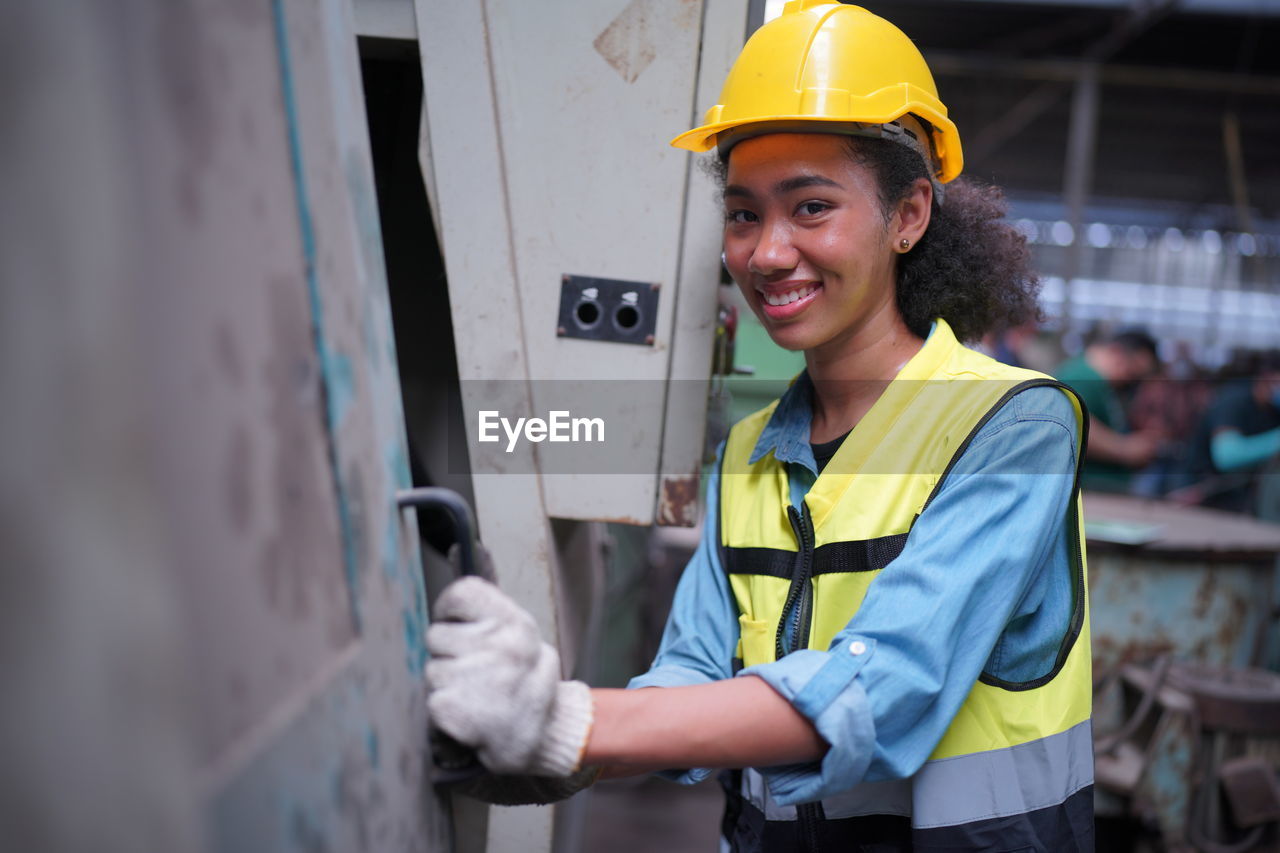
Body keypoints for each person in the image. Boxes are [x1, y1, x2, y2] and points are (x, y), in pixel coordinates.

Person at [426, 4, 1094, 850]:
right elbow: (692, 676)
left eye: (810, 208)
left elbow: (885, 684)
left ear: (909, 216)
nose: (766, 253)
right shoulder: (749, 455)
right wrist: (526, 748)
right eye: (743, 214)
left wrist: (568, 722)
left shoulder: (1015, 425)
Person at [1054, 329, 1162, 493]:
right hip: (1091, 489)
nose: (1129, 379)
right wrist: (1127, 449)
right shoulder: (1082, 376)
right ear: (1116, 352)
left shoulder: (1097, 381)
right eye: (1131, 370)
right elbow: (1073, 424)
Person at [1179, 352, 1280, 515]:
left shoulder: (1273, 411)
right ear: (1268, 377)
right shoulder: (1234, 400)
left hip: (1236, 501)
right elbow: (1227, 456)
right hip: (1198, 494)